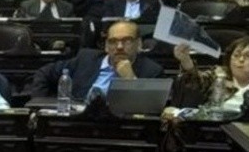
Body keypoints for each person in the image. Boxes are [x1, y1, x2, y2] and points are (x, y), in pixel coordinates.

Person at [27, 20, 164, 98]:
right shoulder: (85, 59)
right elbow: (44, 73)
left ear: (139, 44)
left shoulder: (152, 72)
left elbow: (149, 113)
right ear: (106, 46)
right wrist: (39, 106)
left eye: (127, 41)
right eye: (113, 41)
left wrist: (130, 80)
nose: (119, 47)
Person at [169, 35, 249, 112]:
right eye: (236, 55)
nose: (240, 59)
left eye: (248, 56)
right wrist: (185, 60)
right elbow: (196, 81)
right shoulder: (217, 75)